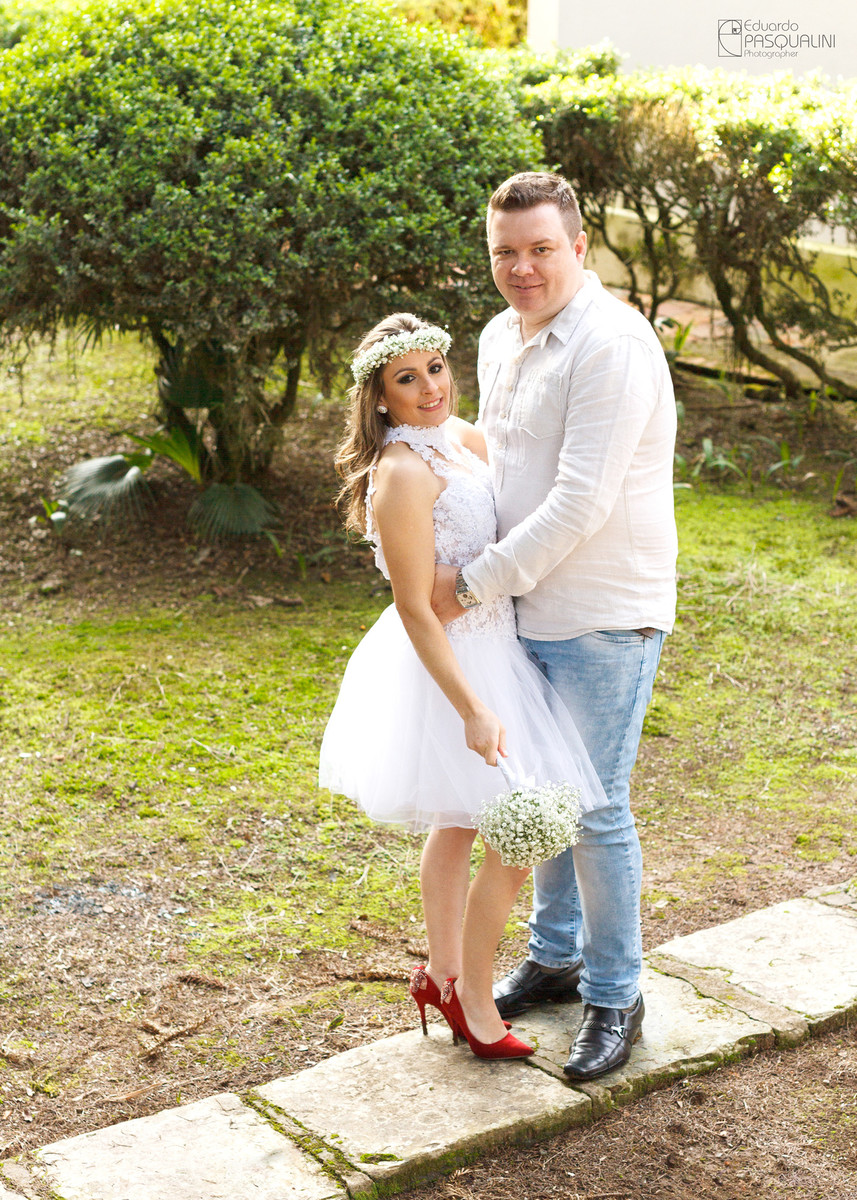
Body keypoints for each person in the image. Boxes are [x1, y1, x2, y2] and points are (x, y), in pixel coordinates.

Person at [431, 172, 678, 1081]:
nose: (521, 268)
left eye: (540, 249)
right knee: (533, 793)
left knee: (591, 806)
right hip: (518, 611)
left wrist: (468, 584)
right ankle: (557, 952)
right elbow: (495, 460)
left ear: (579, 247)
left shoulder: (611, 345)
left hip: (602, 610)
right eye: (505, 252)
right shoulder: (500, 334)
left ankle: (617, 995)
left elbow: (579, 500)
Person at [319, 312, 608, 1062]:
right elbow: (414, 606)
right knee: (521, 833)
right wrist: (472, 708)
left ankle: (443, 977)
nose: (427, 388)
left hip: (500, 649)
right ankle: (474, 1001)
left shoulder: (464, 439)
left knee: (462, 825)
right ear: (379, 397)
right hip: (451, 668)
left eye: (435, 370)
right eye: (405, 379)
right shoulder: (403, 472)